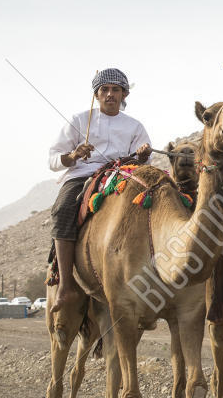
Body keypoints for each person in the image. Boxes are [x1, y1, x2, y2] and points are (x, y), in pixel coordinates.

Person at [47, 68, 153, 311]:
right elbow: (53, 160)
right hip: (82, 175)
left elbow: (143, 158)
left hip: (122, 174)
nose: (110, 94)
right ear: (96, 94)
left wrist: (144, 154)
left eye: (115, 90)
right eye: (104, 90)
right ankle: (65, 286)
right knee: (63, 209)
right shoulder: (79, 120)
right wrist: (73, 155)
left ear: (124, 94)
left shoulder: (134, 126)